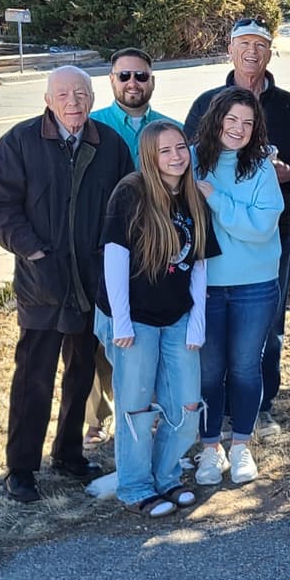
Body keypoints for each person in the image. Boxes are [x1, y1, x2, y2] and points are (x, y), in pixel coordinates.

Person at [0, 65, 134, 503]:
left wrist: (110, 259)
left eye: (81, 94)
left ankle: (68, 453)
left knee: (82, 372)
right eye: (63, 95)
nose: (73, 103)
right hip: (41, 282)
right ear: (48, 100)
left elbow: (127, 206)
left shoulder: (110, 145)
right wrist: (33, 252)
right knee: (34, 377)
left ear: (92, 98)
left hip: (91, 281)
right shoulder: (20, 142)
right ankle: (21, 468)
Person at [183, 19, 290, 439]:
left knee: (267, 330)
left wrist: (288, 173)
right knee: (209, 343)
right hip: (209, 247)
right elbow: (184, 168)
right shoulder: (205, 103)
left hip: (270, 237)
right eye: (244, 43)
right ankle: (210, 421)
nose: (252, 51)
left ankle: (259, 409)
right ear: (230, 49)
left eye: (261, 44)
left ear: (270, 52)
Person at [95, 120, 220, 516]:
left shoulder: (192, 196)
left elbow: (199, 265)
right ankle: (135, 487)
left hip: (177, 316)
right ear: (149, 156)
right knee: (135, 407)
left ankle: (166, 476)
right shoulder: (131, 192)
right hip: (133, 319)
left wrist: (197, 321)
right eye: (165, 151)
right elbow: (115, 257)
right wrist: (121, 320)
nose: (176, 156)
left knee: (186, 405)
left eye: (180, 147)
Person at [191, 87, 285, 485]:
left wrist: (217, 200)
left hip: (255, 285)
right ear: (216, 119)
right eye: (231, 119)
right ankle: (210, 449)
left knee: (246, 367)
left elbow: (262, 227)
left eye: (247, 122)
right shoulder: (192, 161)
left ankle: (241, 447)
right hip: (206, 285)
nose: (238, 128)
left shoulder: (261, 168)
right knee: (209, 372)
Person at [84, 47, 173, 444]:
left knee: (147, 332)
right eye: (124, 76)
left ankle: (146, 409)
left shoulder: (171, 130)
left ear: (152, 80)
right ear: (112, 81)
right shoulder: (93, 127)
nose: (133, 83)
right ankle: (96, 417)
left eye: (140, 75)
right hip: (104, 242)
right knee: (101, 332)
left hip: (155, 246)